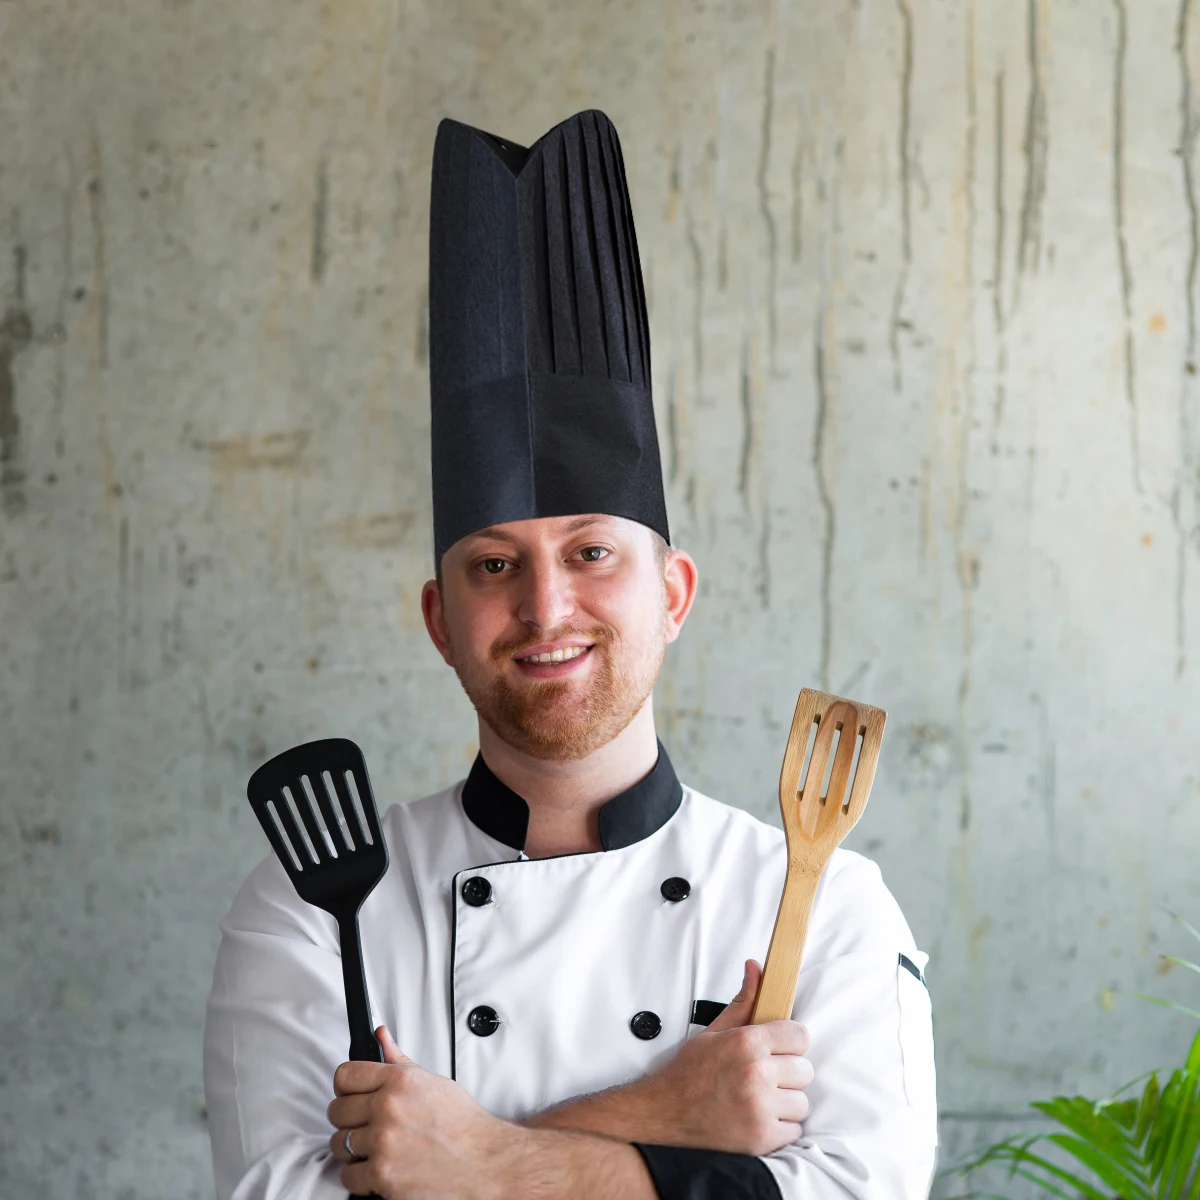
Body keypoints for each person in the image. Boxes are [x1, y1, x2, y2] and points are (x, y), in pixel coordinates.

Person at [203, 109, 938, 1200]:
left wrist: (473, 1161)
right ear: (440, 618)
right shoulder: (319, 907)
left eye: (592, 553)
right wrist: (666, 1119)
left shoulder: (818, 901)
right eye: (493, 567)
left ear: (674, 591)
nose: (547, 608)